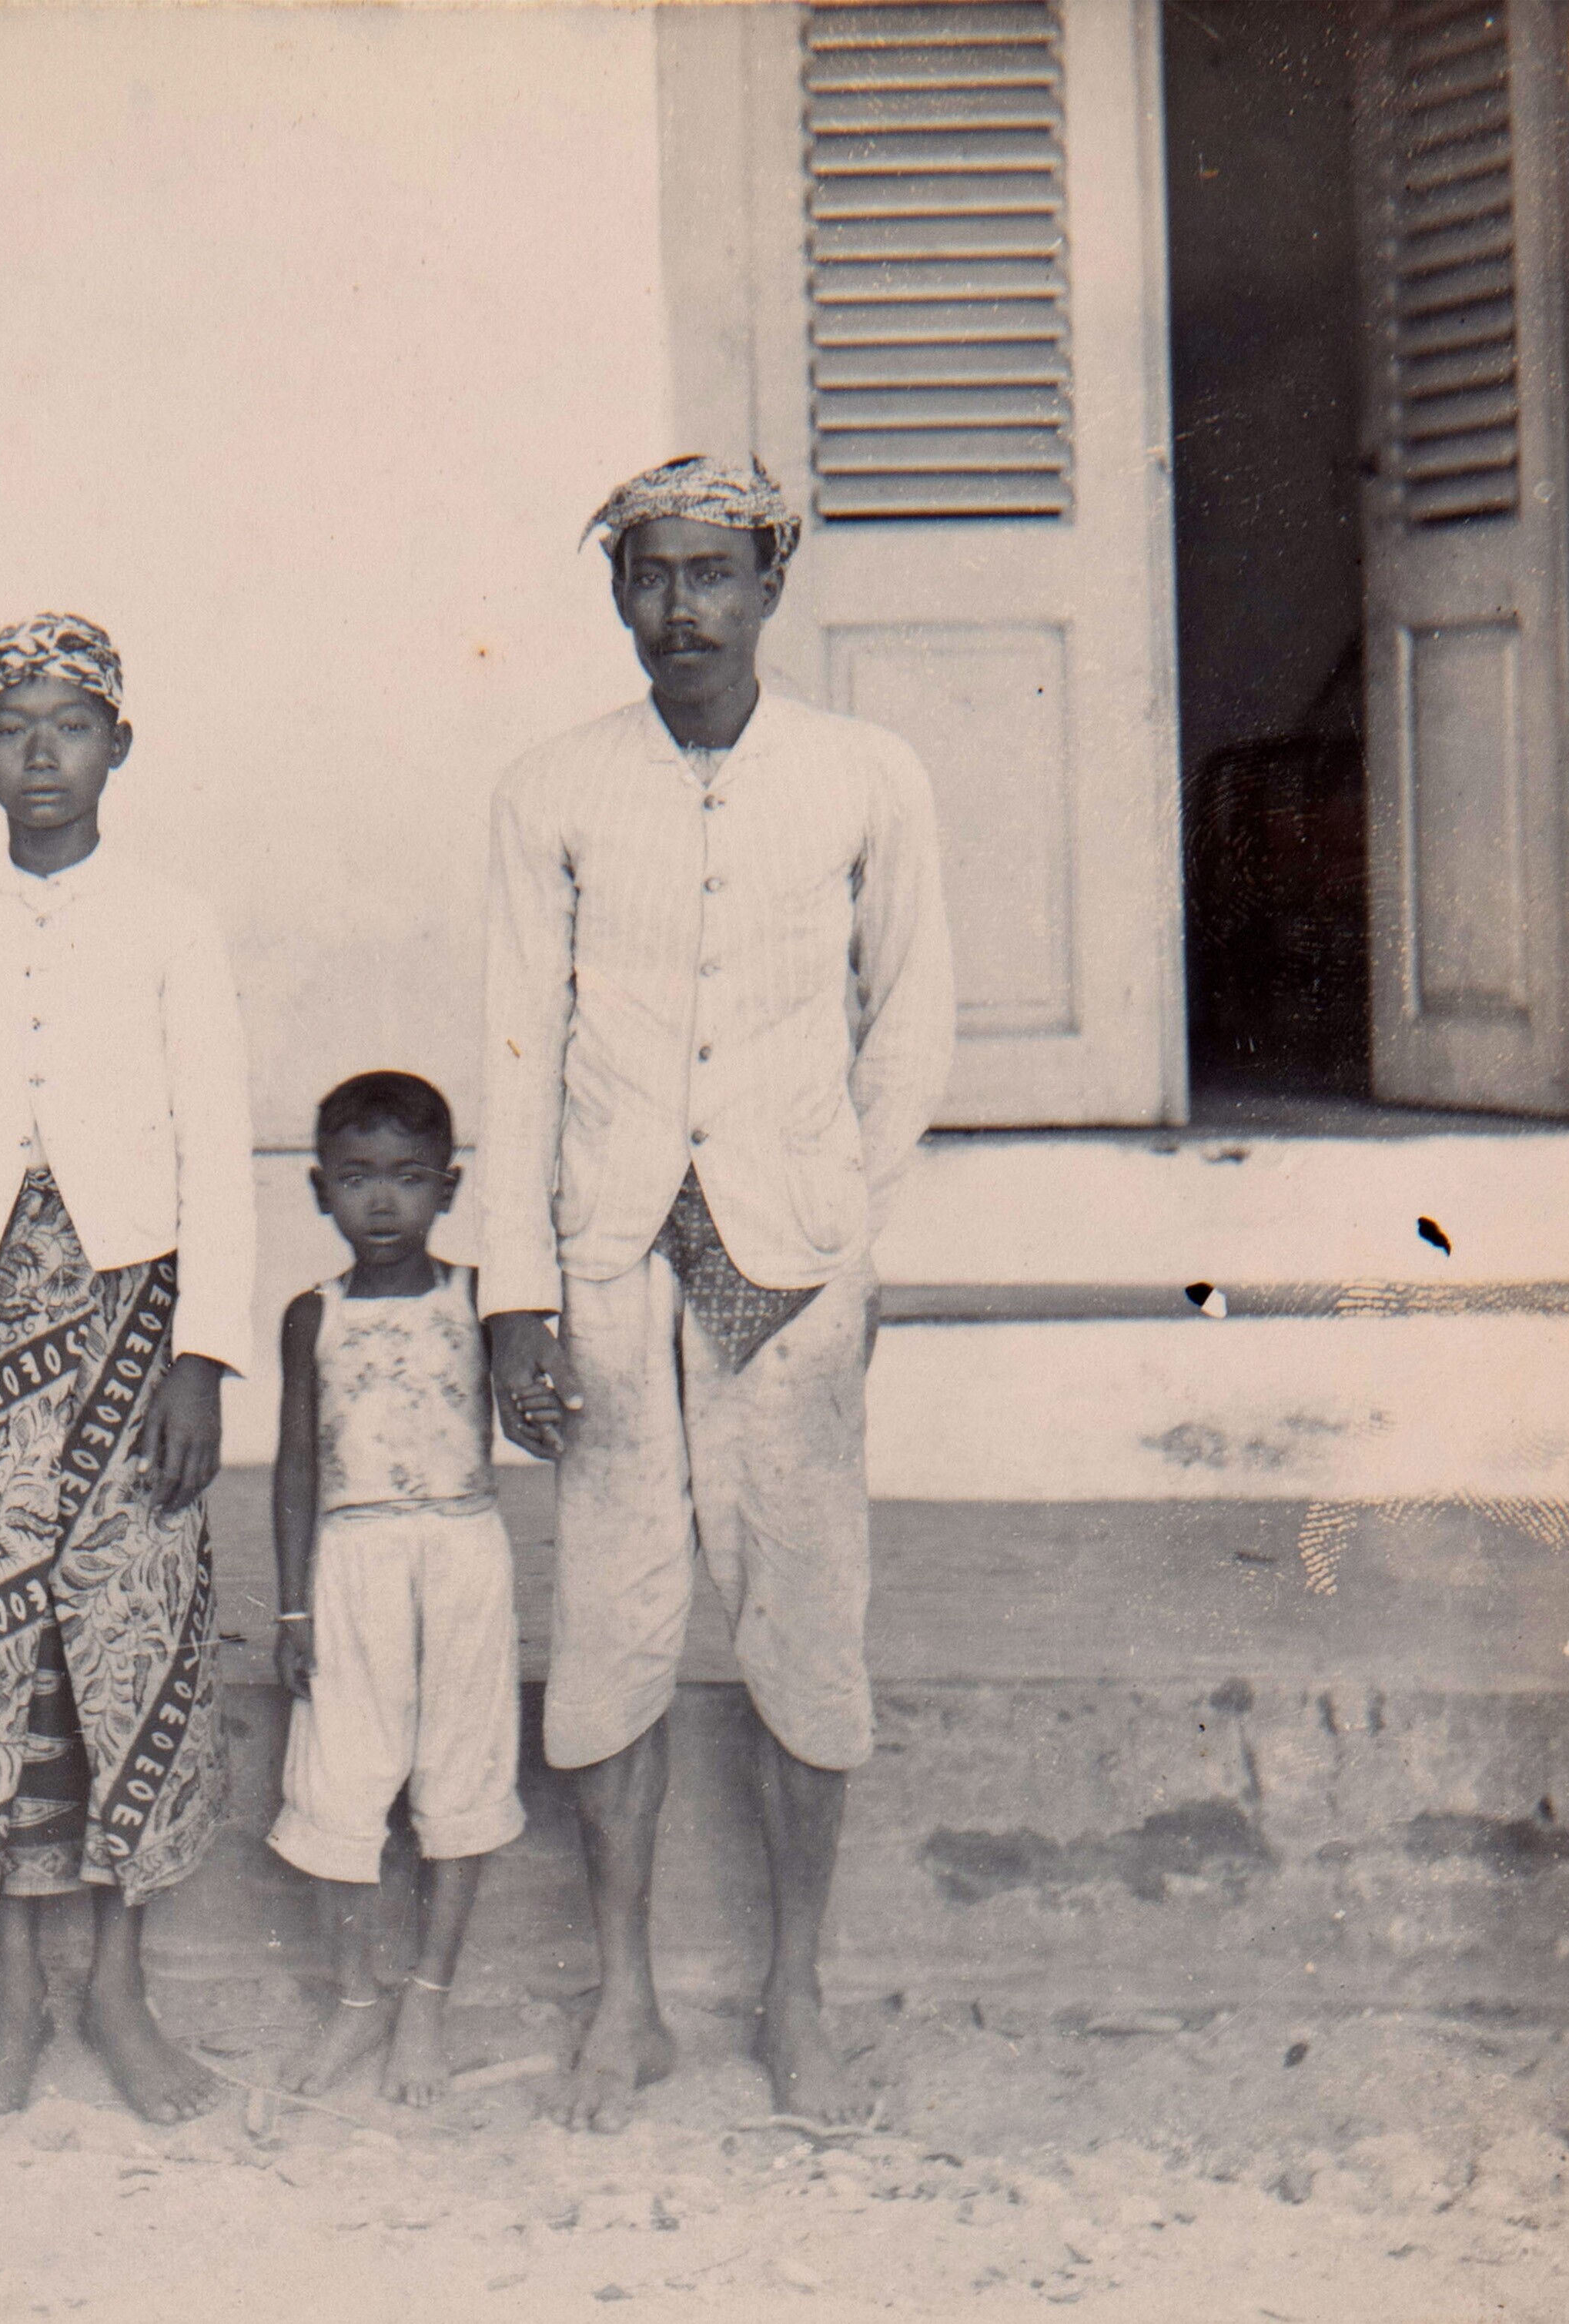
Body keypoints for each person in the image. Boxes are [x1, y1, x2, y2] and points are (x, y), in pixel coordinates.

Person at [477, 457, 955, 2133]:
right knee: (611, 1624)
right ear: (619, 594)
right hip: (609, 1261)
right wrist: (516, 1295)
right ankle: (626, 1998)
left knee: (804, 1622)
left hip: (789, 1269)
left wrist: (841, 1228)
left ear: (769, 588)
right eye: (652, 575)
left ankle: (793, 1994)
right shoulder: (551, 788)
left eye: (713, 574)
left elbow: (910, 1024)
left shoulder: (863, 776)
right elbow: (518, 1049)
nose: (681, 607)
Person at [0, 614, 253, 2125]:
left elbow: (215, 1145)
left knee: (132, 1642)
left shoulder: (171, 924)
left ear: (119, 746)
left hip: (131, 1325)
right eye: (10, 727)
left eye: (71, 724)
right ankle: (11, 1995)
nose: (41, 754)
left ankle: (118, 1988)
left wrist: (203, 1357)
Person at [268, 1070, 524, 2109]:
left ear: (448, 1188)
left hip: (463, 1552)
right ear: (319, 1187)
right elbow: (295, 1465)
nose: (382, 1202)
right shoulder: (312, 1314)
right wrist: (292, 1608)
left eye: (410, 1178)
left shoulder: (480, 1301)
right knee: (340, 1777)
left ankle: (427, 2000)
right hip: (353, 1559)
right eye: (357, 1178)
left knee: (461, 1769)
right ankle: (356, 2000)